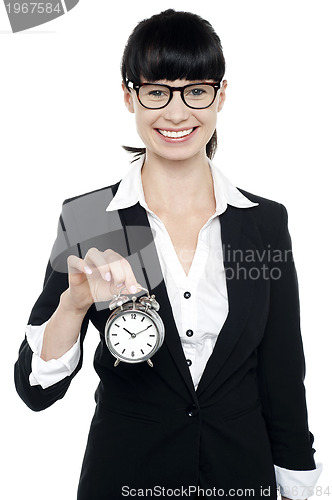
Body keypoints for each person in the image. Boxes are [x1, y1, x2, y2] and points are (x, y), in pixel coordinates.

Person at [14, 9, 322, 500]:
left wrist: (298, 481)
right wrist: (72, 306)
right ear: (128, 95)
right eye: (157, 91)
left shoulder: (263, 222)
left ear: (220, 95)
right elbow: (35, 391)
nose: (177, 114)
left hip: (240, 478)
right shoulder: (94, 217)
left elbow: (282, 368)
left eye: (196, 91)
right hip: (125, 476)